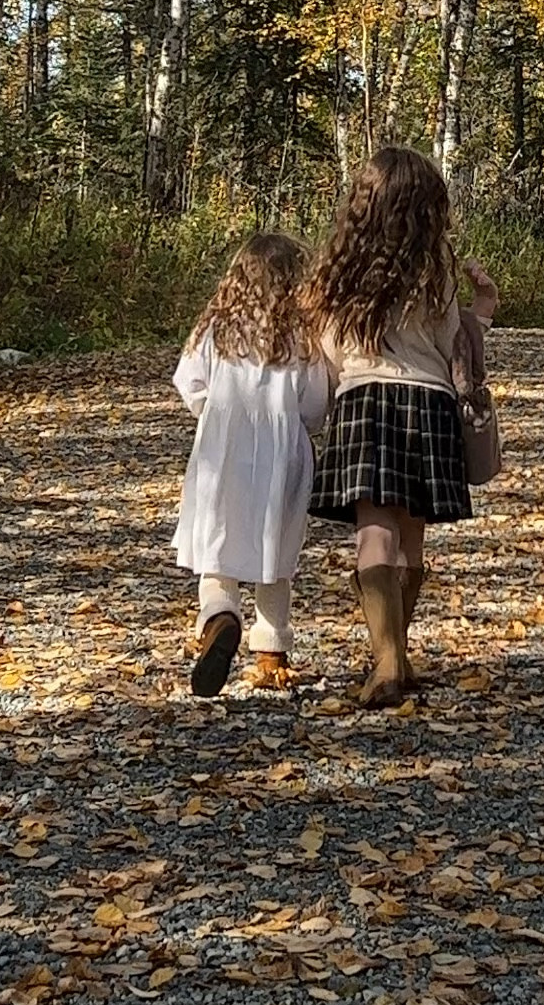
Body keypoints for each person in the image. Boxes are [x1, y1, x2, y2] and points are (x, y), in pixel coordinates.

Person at [307, 146, 496, 711]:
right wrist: (481, 312)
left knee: (375, 533)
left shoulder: (340, 271)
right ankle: (397, 654)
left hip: (366, 401)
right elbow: (450, 348)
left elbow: (331, 351)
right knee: (411, 535)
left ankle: (387, 658)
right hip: (431, 405)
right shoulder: (434, 271)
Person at [171, 232, 334, 700]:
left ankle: (220, 617)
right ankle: (271, 653)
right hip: (283, 454)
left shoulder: (216, 329)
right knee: (275, 555)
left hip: (223, 452)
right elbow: (315, 406)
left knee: (218, 548)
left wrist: (216, 416)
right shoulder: (303, 337)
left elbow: (190, 385)